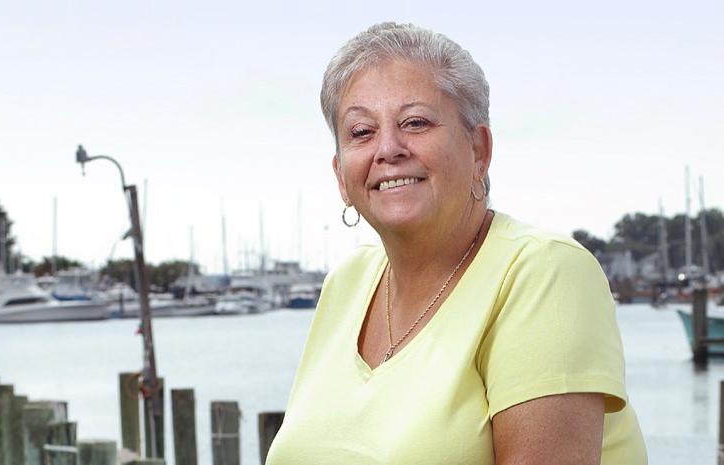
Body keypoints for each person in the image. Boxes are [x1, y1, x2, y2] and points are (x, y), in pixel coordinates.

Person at [265, 22, 647, 465]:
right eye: (361, 132)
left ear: (479, 151)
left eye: (415, 122)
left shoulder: (545, 272)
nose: (388, 149)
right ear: (340, 177)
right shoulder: (346, 282)